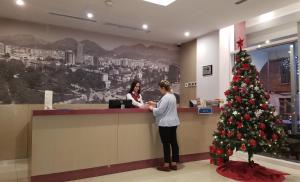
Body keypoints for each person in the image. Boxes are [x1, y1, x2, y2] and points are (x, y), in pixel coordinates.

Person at [148, 80, 180, 171]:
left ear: (163, 88)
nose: (159, 90)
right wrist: (154, 103)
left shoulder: (166, 97)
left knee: (166, 144)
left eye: (160, 88)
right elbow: (163, 105)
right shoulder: (172, 96)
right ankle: (174, 163)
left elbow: (160, 111)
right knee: (174, 143)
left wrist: (151, 108)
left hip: (165, 124)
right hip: (173, 123)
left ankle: (166, 165)